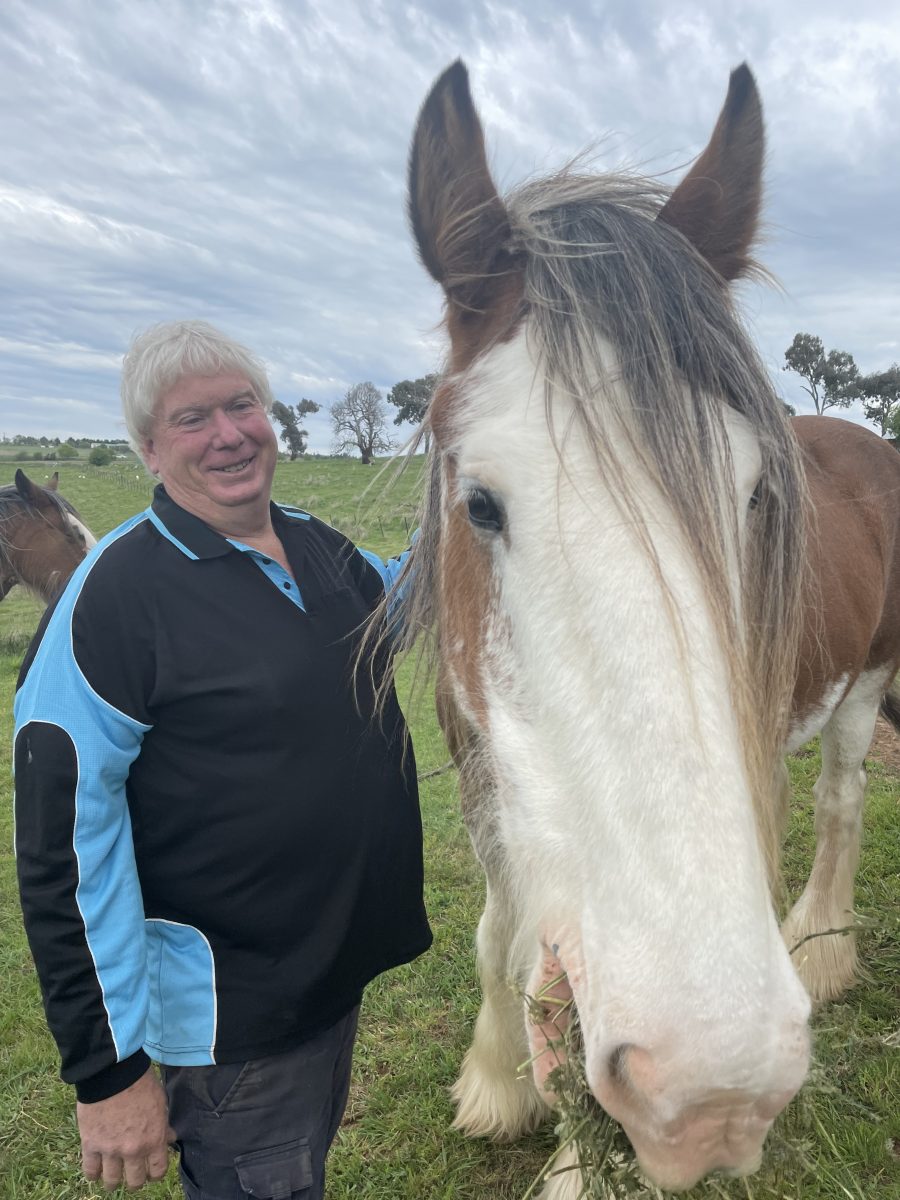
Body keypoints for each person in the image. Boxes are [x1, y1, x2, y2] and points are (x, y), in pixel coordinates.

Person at [14, 320, 432, 1198]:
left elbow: (390, 602)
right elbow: (64, 850)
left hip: (329, 974)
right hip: (234, 1020)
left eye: (241, 405)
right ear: (148, 449)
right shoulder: (118, 596)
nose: (229, 433)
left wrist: (486, 511)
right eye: (192, 418)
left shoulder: (313, 540)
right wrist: (108, 1072)